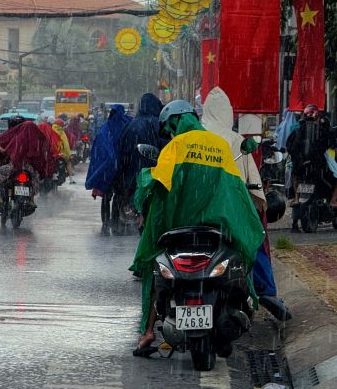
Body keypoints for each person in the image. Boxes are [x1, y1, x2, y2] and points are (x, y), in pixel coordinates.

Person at [131, 100, 264, 357]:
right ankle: (242, 309)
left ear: (175, 123)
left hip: (179, 228)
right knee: (242, 259)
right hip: (216, 227)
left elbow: (158, 183)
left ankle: (148, 333)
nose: (170, 133)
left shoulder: (176, 146)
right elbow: (234, 189)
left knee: (152, 266)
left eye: (170, 128)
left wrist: (144, 179)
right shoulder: (220, 146)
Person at [202, 87, 290, 321]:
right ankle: (265, 291)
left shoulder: (194, 138)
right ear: (228, 113)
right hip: (232, 210)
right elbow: (255, 186)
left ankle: (150, 326)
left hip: (197, 208)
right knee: (255, 239)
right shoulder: (235, 140)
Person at [285, 104, 337, 231]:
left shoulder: (297, 129)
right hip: (317, 166)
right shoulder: (322, 129)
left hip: (302, 166)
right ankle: (334, 201)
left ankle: (297, 199)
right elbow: (330, 144)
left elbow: (289, 146)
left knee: (293, 173)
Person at [84, 104, 132, 235]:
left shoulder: (106, 128)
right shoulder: (125, 126)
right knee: (118, 195)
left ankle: (105, 221)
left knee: (106, 195)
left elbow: (99, 148)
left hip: (108, 169)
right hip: (121, 168)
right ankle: (114, 220)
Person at [0, 117, 55, 210]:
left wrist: (1, 149)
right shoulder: (36, 138)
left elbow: (6, 150)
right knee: (35, 177)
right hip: (29, 168)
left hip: (14, 167)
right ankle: (31, 199)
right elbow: (42, 153)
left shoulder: (15, 137)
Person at [114, 93, 164, 210]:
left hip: (132, 177)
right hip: (155, 177)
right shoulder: (161, 125)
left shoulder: (130, 125)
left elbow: (121, 152)